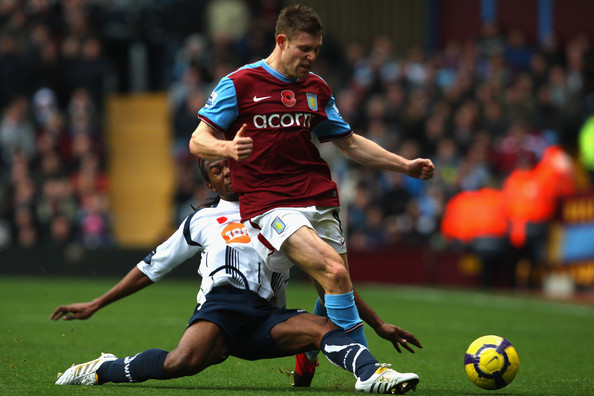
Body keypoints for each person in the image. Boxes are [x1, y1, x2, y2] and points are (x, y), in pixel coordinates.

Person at [188, 3, 433, 379]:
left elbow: (349, 142)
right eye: (304, 48)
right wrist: (226, 149)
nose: (312, 57)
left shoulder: (316, 88)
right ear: (282, 41)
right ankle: (371, 372)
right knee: (334, 271)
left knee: (332, 289)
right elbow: (197, 140)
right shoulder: (240, 84)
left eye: (316, 49)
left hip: (318, 198)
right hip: (270, 204)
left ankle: (306, 363)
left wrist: (404, 165)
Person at [51, 158, 421, 394]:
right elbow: (151, 268)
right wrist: (96, 304)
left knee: (324, 328)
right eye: (217, 170)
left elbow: (327, 276)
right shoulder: (202, 220)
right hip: (224, 307)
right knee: (182, 363)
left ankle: (374, 375)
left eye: (231, 164)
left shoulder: (285, 215)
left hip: (267, 316)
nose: (227, 171)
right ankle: (102, 369)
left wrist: (378, 324)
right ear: (210, 185)